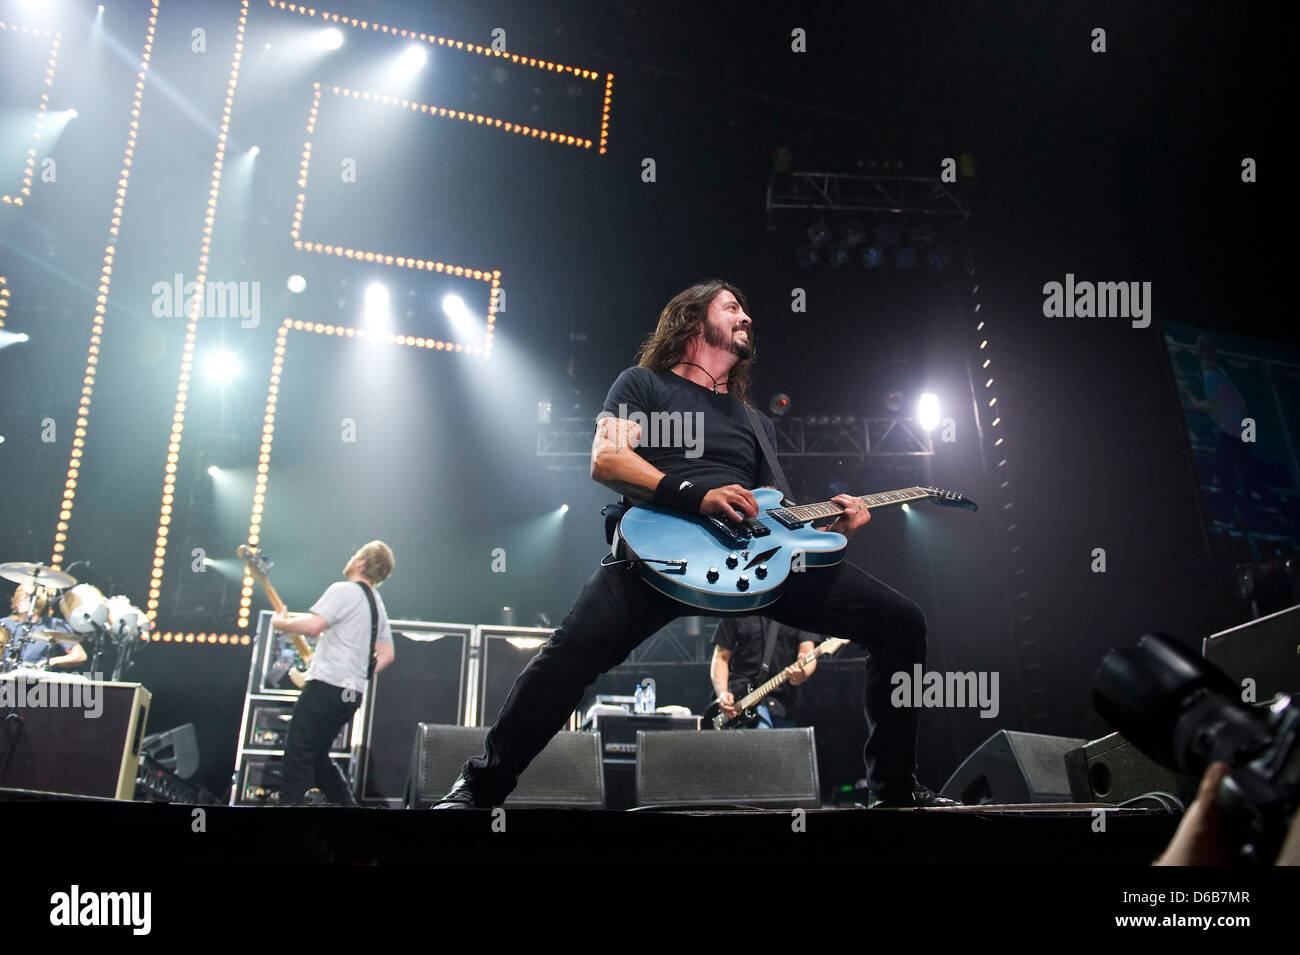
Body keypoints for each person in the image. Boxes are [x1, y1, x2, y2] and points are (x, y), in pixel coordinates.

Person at [437, 279, 955, 809]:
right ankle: (480, 788)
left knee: (901, 622)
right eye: (732, 307)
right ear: (691, 320)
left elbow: (777, 520)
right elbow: (608, 460)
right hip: (658, 547)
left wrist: (830, 532)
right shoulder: (643, 385)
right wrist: (697, 495)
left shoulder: (756, 423)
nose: (746, 317)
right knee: (568, 655)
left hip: (750, 560)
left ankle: (895, 794)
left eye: (747, 310)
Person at [271, 540, 396, 807]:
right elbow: (387, 654)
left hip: (326, 687)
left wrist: (280, 622)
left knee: (297, 755)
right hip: (352, 694)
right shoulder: (377, 604)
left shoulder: (343, 590)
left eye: (355, 555)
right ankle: (351, 815)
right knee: (317, 756)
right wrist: (358, 673)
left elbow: (315, 626)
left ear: (361, 562)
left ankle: (287, 825)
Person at [711, 616, 819, 729]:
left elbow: (807, 652)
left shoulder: (797, 611)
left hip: (784, 701)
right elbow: (721, 658)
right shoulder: (738, 609)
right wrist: (722, 693)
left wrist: (803, 673)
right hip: (741, 701)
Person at [2, 584, 86, 670]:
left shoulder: (54, 625)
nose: (20, 601)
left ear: (38, 600)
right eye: (18, 597)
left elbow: (79, 655)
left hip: (36, 678)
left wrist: (51, 662)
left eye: (26, 597)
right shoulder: (4, 623)